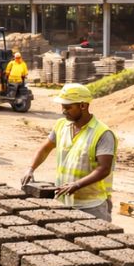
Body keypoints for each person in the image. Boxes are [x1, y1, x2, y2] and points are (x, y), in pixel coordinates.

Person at [21, 83, 116, 220]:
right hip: (63, 201)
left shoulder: (102, 133)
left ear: (83, 106)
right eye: (62, 107)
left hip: (91, 205)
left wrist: (77, 185)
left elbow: (104, 168)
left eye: (68, 107)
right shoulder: (61, 125)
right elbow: (45, 148)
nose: (63, 111)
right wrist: (31, 168)